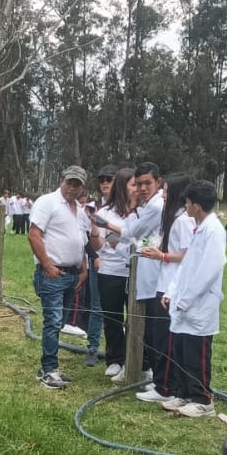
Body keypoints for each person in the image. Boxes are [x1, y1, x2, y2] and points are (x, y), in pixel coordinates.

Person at [158, 180, 227, 417]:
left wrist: (185, 300)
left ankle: (202, 399)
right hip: (183, 303)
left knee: (197, 353)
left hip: (199, 305)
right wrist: (171, 292)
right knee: (181, 350)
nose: (185, 206)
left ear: (196, 205)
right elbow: (186, 266)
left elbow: (208, 270)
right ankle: (184, 393)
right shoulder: (199, 229)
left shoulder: (214, 230)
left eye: (187, 202)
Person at [28, 166, 93, 389]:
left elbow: (81, 242)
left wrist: (83, 269)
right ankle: (49, 370)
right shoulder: (48, 203)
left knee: (60, 321)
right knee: (53, 321)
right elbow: (34, 234)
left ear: (83, 187)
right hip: (53, 273)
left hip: (72, 274)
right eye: (69, 183)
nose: (72, 188)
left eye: (77, 185)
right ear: (61, 181)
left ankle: (49, 367)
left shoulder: (80, 211)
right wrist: (47, 265)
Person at [137, 173, 193, 404]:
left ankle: (166, 386)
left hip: (173, 285)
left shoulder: (183, 221)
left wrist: (162, 255)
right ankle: (163, 382)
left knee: (165, 339)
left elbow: (190, 255)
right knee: (158, 336)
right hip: (164, 283)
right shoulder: (172, 218)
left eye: (168, 191)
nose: (164, 195)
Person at [89, 167, 135, 377]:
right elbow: (104, 244)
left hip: (136, 272)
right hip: (111, 271)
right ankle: (115, 358)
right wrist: (97, 230)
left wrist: (119, 236)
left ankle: (135, 360)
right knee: (112, 317)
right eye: (133, 184)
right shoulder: (105, 212)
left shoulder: (141, 211)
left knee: (135, 318)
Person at [126, 162, 168, 384]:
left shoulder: (155, 206)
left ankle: (155, 375)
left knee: (153, 328)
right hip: (148, 268)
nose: (142, 188)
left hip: (154, 273)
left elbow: (131, 232)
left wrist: (132, 208)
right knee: (150, 327)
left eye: (147, 183)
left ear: (158, 182)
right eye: (138, 184)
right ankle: (151, 371)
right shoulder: (152, 204)